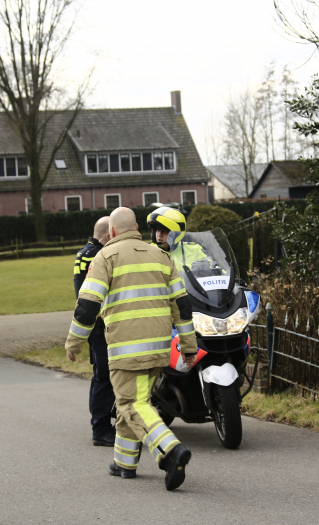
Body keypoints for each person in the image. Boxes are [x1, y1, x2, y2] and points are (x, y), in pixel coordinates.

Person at [65, 207, 197, 491]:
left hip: (127, 350)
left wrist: (74, 342)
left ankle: (170, 450)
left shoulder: (105, 257)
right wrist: (188, 345)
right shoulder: (162, 257)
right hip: (159, 347)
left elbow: (87, 306)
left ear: (111, 232)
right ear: (136, 227)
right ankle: (124, 463)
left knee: (131, 403)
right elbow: (182, 305)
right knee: (136, 400)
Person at [73, 216, 116, 446]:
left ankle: (99, 424)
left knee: (100, 375)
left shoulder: (84, 252)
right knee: (105, 378)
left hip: (92, 324)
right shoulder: (97, 255)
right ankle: (100, 429)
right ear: (108, 235)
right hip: (100, 325)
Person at [147, 206, 211, 271]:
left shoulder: (195, 250)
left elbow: (216, 271)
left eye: (164, 231)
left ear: (176, 234)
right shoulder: (147, 253)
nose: (159, 235)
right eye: (157, 230)